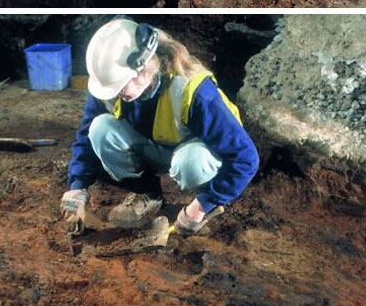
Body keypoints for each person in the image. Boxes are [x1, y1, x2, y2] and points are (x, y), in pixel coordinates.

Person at [60, 18, 260, 236]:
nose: (115, 93)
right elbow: (86, 136)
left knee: (191, 162)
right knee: (100, 129)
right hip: (157, 147)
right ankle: (147, 195)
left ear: (144, 67)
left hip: (196, 154)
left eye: (119, 86)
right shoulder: (112, 86)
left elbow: (246, 158)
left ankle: (200, 201)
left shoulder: (195, 92)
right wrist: (76, 187)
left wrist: (203, 205)